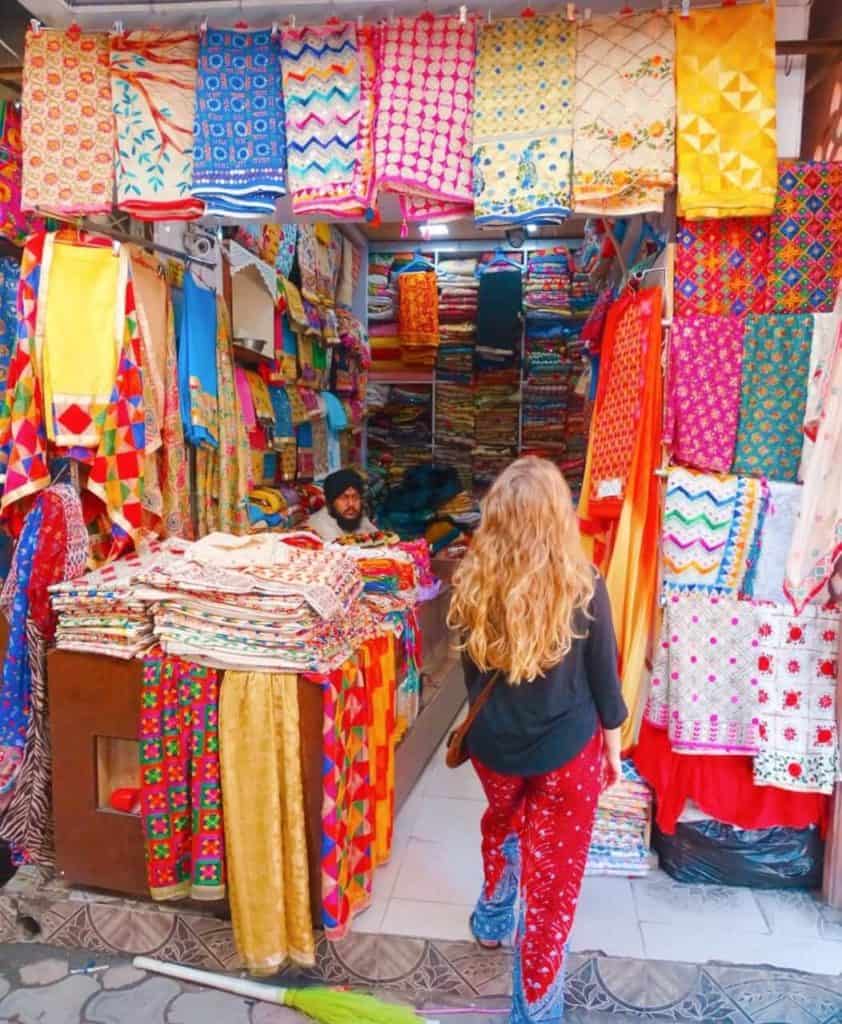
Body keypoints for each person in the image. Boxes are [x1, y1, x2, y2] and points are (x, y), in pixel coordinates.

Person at [447, 456, 627, 1024]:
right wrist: (615, 751)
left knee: (503, 825)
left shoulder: (473, 584)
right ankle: (535, 1007)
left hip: (496, 749)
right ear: (559, 517)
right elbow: (605, 676)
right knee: (553, 882)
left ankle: (493, 918)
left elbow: (473, 679)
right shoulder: (585, 584)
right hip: (568, 751)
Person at [306, 468, 377, 542]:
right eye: (344, 498)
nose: (351, 504)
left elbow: (381, 539)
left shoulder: (358, 518)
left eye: (355, 498)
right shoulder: (320, 524)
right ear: (329, 502)